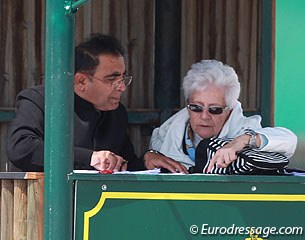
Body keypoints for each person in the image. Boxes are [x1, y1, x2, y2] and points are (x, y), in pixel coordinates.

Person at [6, 33, 157, 172]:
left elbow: (124, 166)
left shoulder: (116, 113)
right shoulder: (40, 100)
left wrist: (146, 162)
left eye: (123, 78)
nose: (122, 87)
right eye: (112, 79)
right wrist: (90, 158)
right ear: (81, 81)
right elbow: (21, 148)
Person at [146, 59, 297, 174]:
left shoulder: (245, 129)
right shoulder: (164, 135)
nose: (204, 116)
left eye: (215, 109)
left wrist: (242, 141)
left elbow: (289, 141)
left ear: (230, 110)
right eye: (196, 108)